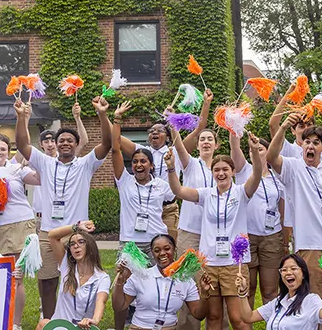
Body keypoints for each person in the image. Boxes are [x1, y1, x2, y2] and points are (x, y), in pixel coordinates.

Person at [15, 96, 112, 323]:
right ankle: (49, 322)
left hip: (77, 235)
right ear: (56, 145)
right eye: (61, 140)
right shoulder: (45, 162)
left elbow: (107, 144)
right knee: (47, 281)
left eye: (70, 140)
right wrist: (21, 118)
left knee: (79, 280)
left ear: (77, 144)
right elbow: (22, 145)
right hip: (48, 232)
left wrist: (102, 115)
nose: (65, 143)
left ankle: (78, 321)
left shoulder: (86, 164)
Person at [165, 132, 263, 330]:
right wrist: (170, 169)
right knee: (214, 316)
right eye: (217, 170)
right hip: (209, 263)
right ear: (213, 173)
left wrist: (254, 150)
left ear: (232, 172)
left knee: (238, 318)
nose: (220, 173)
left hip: (234, 264)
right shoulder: (206, 194)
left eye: (225, 169)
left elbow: (258, 175)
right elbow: (179, 191)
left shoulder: (241, 192)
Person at [266, 113, 322, 329]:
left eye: (316, 142)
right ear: (302, 145)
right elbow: (271, 156)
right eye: (307, 142)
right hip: (310, 248)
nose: (310, 146)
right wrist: (283, 127)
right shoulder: (293, 167)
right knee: (316, 309)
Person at [116, 90, 214, 242]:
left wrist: (206, 103)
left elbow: (199, 129)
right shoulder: (142, 153)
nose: (154, 132)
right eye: (151, 131)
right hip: (144, 207)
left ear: (168, 136)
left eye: (159, 130)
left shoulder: (176, 151)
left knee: (169, 251)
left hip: (168, 209)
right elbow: (115, 139)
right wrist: (109, 116)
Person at [111, 102, 176, 330]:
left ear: (150, 165)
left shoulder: (161, 185)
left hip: (155, 244)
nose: (138, 164)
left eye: (143, 161)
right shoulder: (124, 181)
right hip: (130, 244)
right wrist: (117, 119)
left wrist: (170, 168)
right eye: (136, 161)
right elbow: (116, 149)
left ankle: (152, 324)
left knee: (156, 288)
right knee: (122, 287)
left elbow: (176, 194)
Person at [268, 83, 322, 248]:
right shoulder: (288, 150)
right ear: (293, 130)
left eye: (309, 124)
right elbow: (273, 126)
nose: (306, 128)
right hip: (294, 203)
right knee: (294, 252)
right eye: (301, 126)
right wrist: (288, 95)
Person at [0, 134, 39, 330]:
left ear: (9, 152)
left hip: (20, 224)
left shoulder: (17, 168)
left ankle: (15, 323)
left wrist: (38, 161)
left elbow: (39, 179)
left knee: (16, 277)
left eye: (3, 149)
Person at [229, 132, 286, 307]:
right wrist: (234, 126)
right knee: (249, 287)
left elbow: (282, 211)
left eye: (261, 149)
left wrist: (285, 240)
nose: (256, 151)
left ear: (268, 152)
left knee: (270, 290)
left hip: (272, 237)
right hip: (247, 236)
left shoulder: (279, 177)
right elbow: (234, 146)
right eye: (253, 149)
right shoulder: (243, 169)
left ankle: (273, 324)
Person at [112, 234, 211, 329]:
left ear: (174, 250)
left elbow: (199, 315)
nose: (162, 253)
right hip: (140, 327)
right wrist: (120, 282)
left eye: (167, 249)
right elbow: (119, 306)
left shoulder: (185, 280)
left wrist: (204, 294)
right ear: (152, 253)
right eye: (157, 250)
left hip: (169, 328)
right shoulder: (141, 276)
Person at [36, 221, 110, 330]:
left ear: (90, 247)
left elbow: (101, 300)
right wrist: (77, 226)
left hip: (83, 327)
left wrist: (95, 320)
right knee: (43, 323)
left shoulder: (102, 278)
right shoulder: (66, 266)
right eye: (72, 244)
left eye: (81, 242)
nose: (76, 246)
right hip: (60, 326)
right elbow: (52, 235)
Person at [235, 254, 322, 329]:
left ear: (303, 274)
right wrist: (242, 293)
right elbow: (248, 317)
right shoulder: (278, 302)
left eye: (293, 268)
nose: (288, 272)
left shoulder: (311, 300)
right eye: (284, 270)